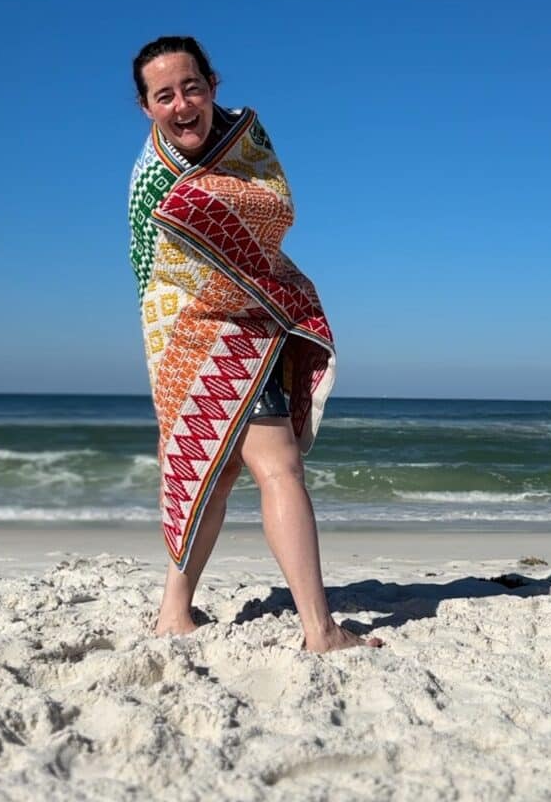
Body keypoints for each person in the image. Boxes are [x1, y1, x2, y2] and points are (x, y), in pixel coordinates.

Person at [129, 35, 382, 652]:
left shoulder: (248, 142)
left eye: (191, 87)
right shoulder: (148, 182)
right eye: (165, 96)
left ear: (213, 84)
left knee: (221, 473)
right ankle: (319, 629)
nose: (182, 104)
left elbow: (275, 204)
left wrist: (224, 227)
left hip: (253, 317)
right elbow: (154, 267)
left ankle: (174, 612)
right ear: (147, 108)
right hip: (191, 336)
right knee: (265, 469)